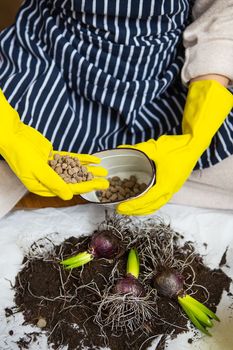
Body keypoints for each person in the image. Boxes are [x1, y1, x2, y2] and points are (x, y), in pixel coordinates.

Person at [0, 0, 233, 216]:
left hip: (165, 80)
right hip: (53, 70)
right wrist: (8, 131)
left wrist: (195, 138)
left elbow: (221, 12)